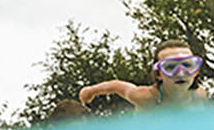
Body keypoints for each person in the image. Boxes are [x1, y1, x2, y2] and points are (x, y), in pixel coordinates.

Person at [78, 40, 206, 110]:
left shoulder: (199, 95)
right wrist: (90, 91)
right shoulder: (146, 97)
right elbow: (116, 86)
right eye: (170, 67)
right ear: (158, 74)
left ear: (196, 71)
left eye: (188, 65)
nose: (180, 73)